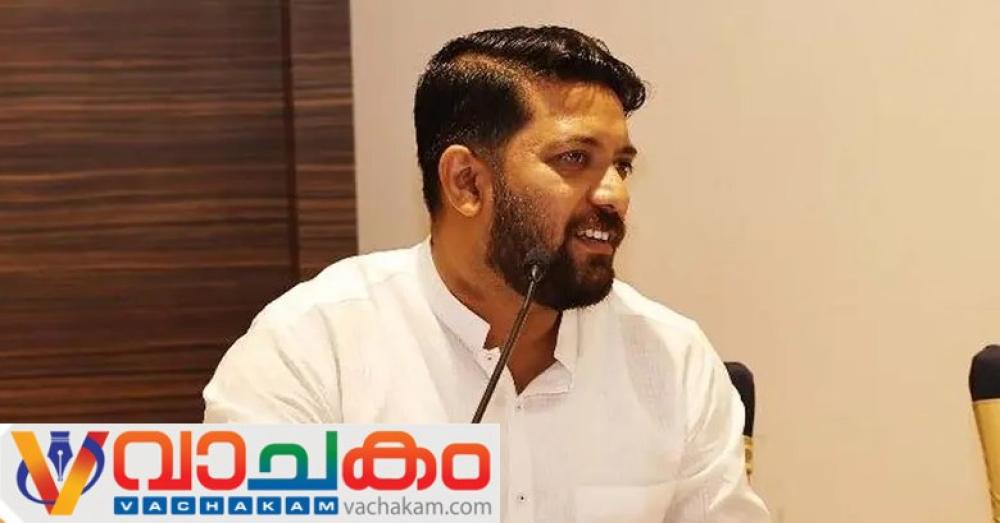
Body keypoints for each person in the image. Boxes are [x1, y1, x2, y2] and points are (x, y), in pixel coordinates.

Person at [203, 25, 770, 522]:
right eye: (574, 159)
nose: (615, 195)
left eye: (620, 165)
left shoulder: (670, 357)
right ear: (466, 182)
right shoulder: (311, 349)